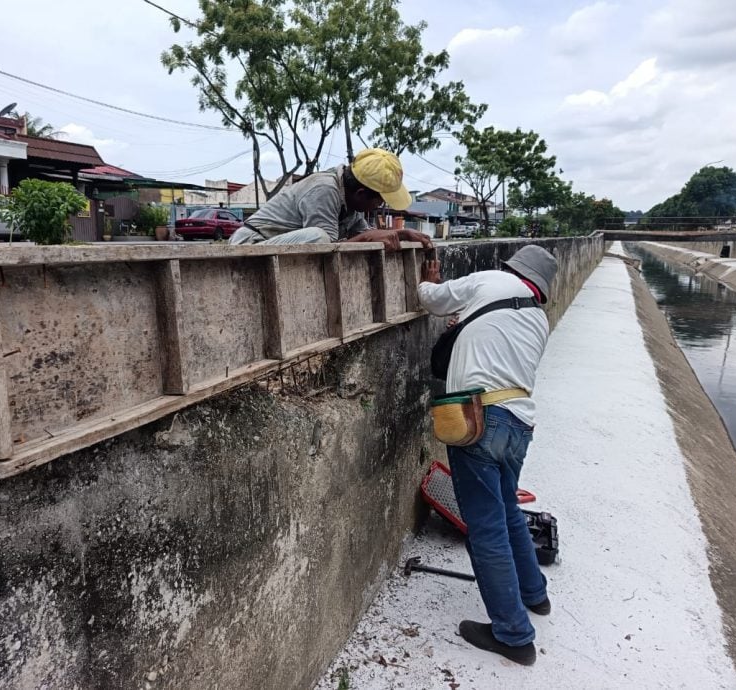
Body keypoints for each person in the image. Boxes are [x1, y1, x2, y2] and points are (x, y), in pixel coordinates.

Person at [417, 245, 559, 666]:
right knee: (508, 512)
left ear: (511, 268)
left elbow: (431, 299)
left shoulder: (491, 281)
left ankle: (513, 635)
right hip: (520, 423)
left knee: (486, 528)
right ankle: (535, 595)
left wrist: (429, 279)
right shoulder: (539, 319)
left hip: (479, 419)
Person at [229, 148, 432, 250]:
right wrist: (367, 238)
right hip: (250, 245)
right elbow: (329, 248)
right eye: (380, 200)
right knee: (319, 237)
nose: (380, 205)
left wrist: (402, 233)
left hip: (275, 245)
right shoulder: (324, 190)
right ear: (361, 194)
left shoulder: (350, 202)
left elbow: (365, 234)